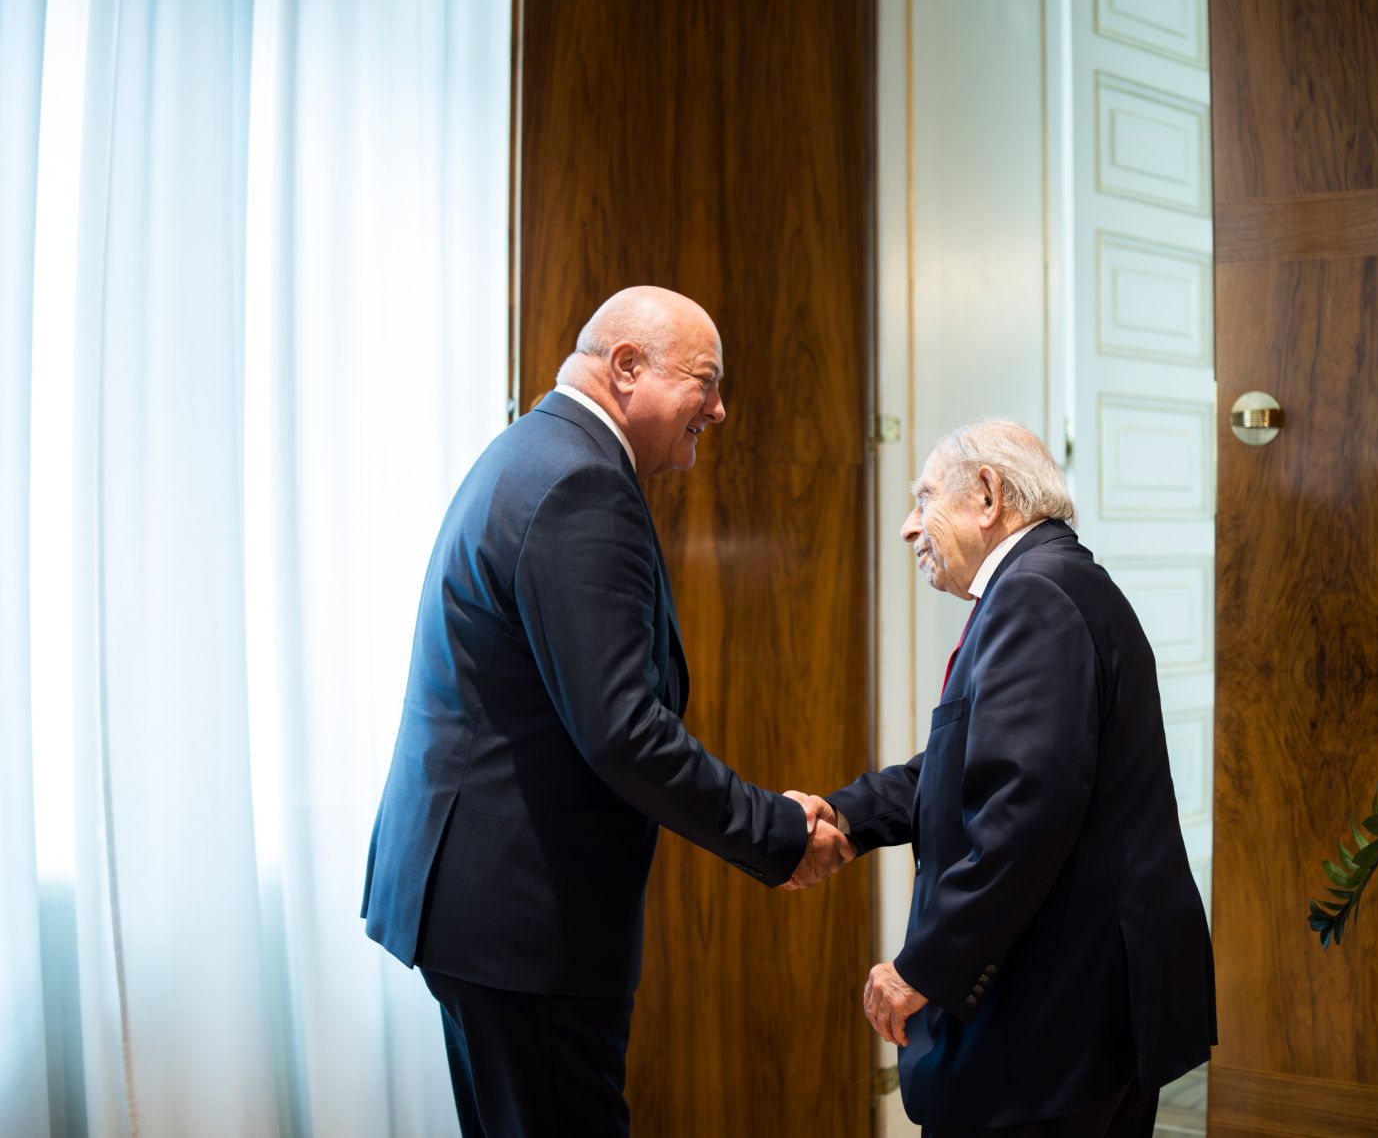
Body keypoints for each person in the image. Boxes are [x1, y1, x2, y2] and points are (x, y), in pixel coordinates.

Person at [361, 286, 852, 1136]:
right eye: (706, 380)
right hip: (524, 924)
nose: (720, 409)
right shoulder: (579, 482)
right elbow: (624, 732)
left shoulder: (530, 450)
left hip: (482, 910)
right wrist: (775, 829)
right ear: (626, 366)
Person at [802, 419, 1216, 1138]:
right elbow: (966, 766)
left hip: (1055, 1028)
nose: (909, 527)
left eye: (924, 497)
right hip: (1086, 1018)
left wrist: (923, 966)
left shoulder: (1034, 595)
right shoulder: (1052, 583)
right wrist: (845, 816)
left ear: (987, 495)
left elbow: (1023, 813)